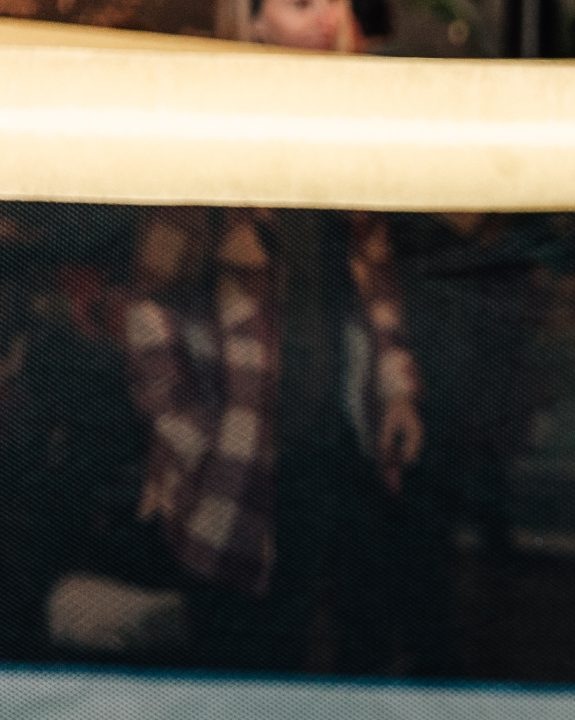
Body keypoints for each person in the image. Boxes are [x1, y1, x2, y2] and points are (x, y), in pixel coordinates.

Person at [122, 0, 427, 674]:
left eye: (333, 2)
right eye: (299, 4)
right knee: (234, 665)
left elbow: (374, 287)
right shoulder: (209, 145)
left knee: (341, 656)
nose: (324, 19)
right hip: (236, 459)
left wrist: (396, 393)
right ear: (252, 24)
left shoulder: (349, 143)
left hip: (329, 448)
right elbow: (149, 312)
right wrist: (193, 440)